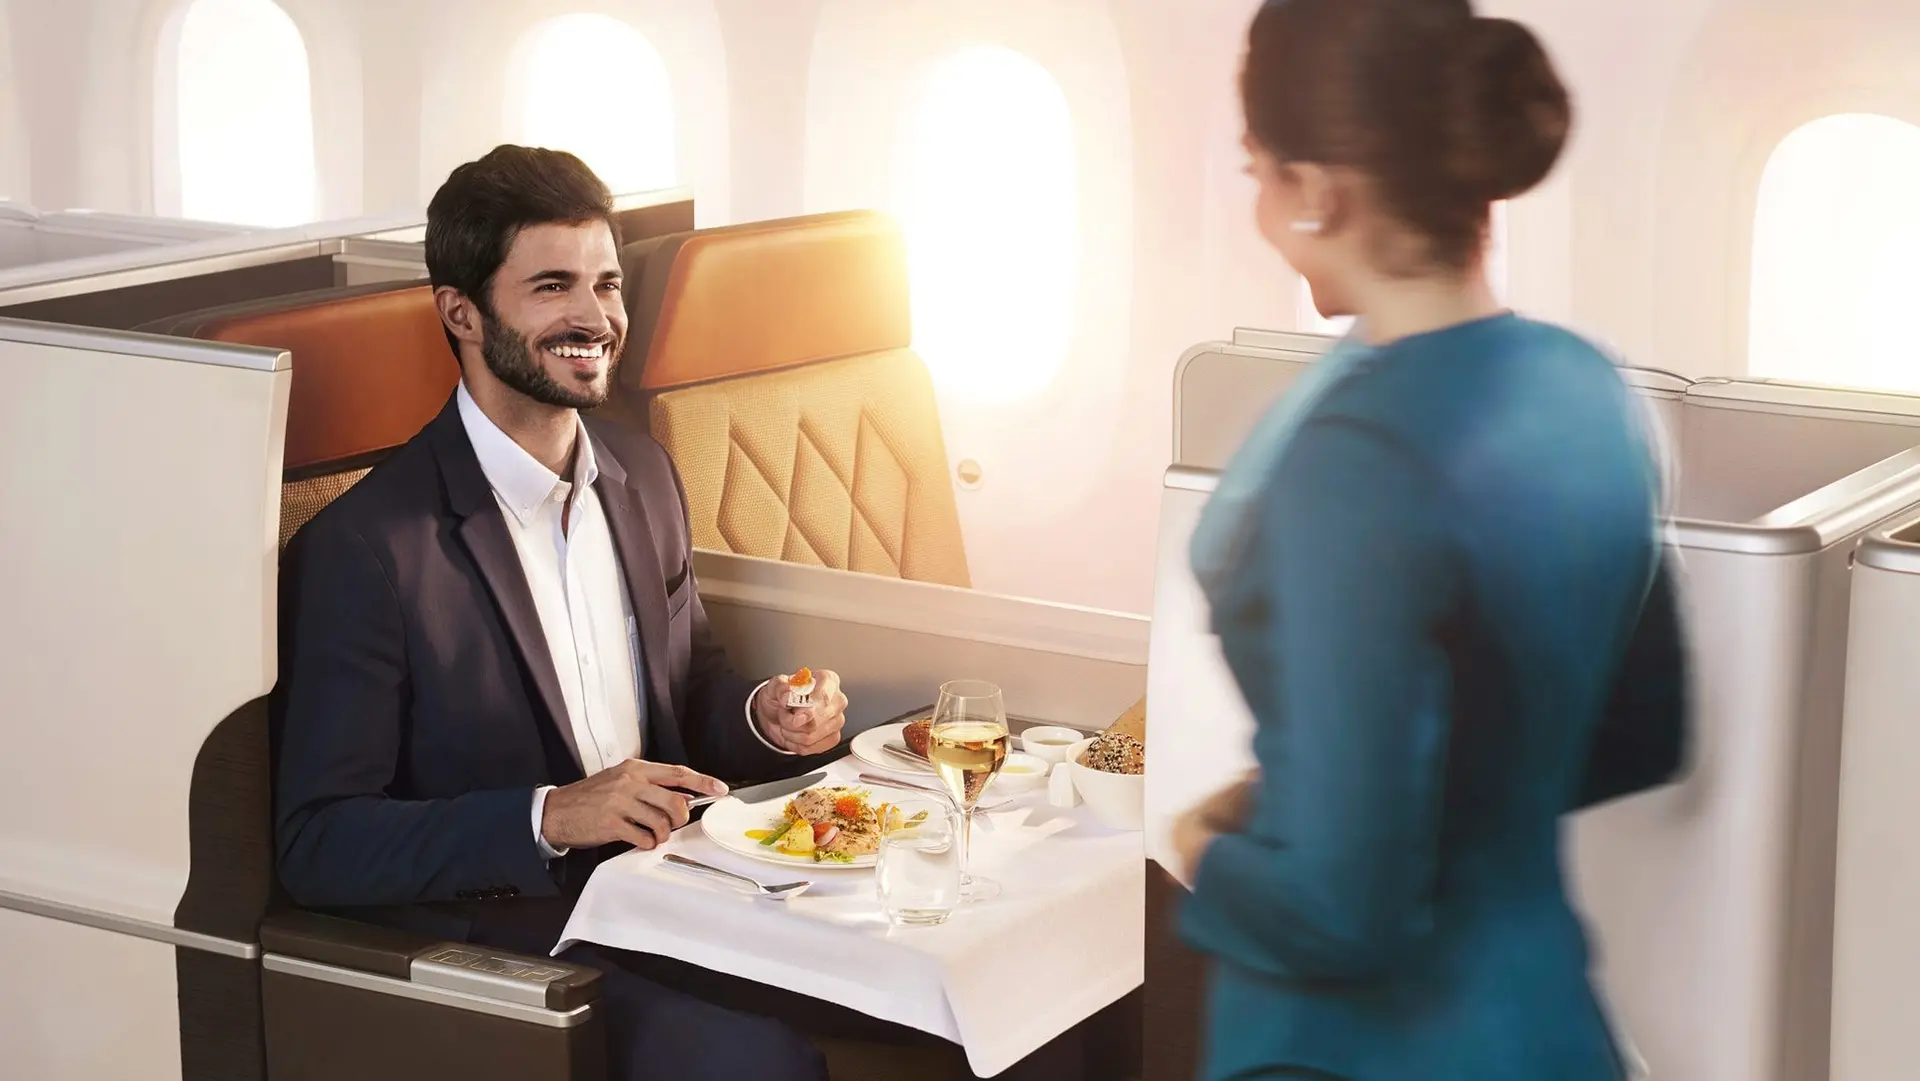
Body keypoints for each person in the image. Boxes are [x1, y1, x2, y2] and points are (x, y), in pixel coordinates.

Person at [1169, 2, 1689, 1079]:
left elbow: (1341, 909)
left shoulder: (1354, 461)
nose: (1260, 206)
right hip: (1545, 1022)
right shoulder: (1589, 385)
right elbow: (1642, 731)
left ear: (1318, 190)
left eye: (1258, 172)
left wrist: (1208, 849)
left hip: (1362, 1045)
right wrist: (1344, 790)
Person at [272, 145, 847, 1080]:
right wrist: (549, 815)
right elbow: (319, 842)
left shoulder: (643, 476)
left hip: (676, 889)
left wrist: (765, 718)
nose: (595, 318)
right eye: (551, 287)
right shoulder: (368, 549)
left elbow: (686, 685)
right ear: (461, 311)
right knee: (762, 1066)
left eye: (607, 284)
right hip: (530, 939)